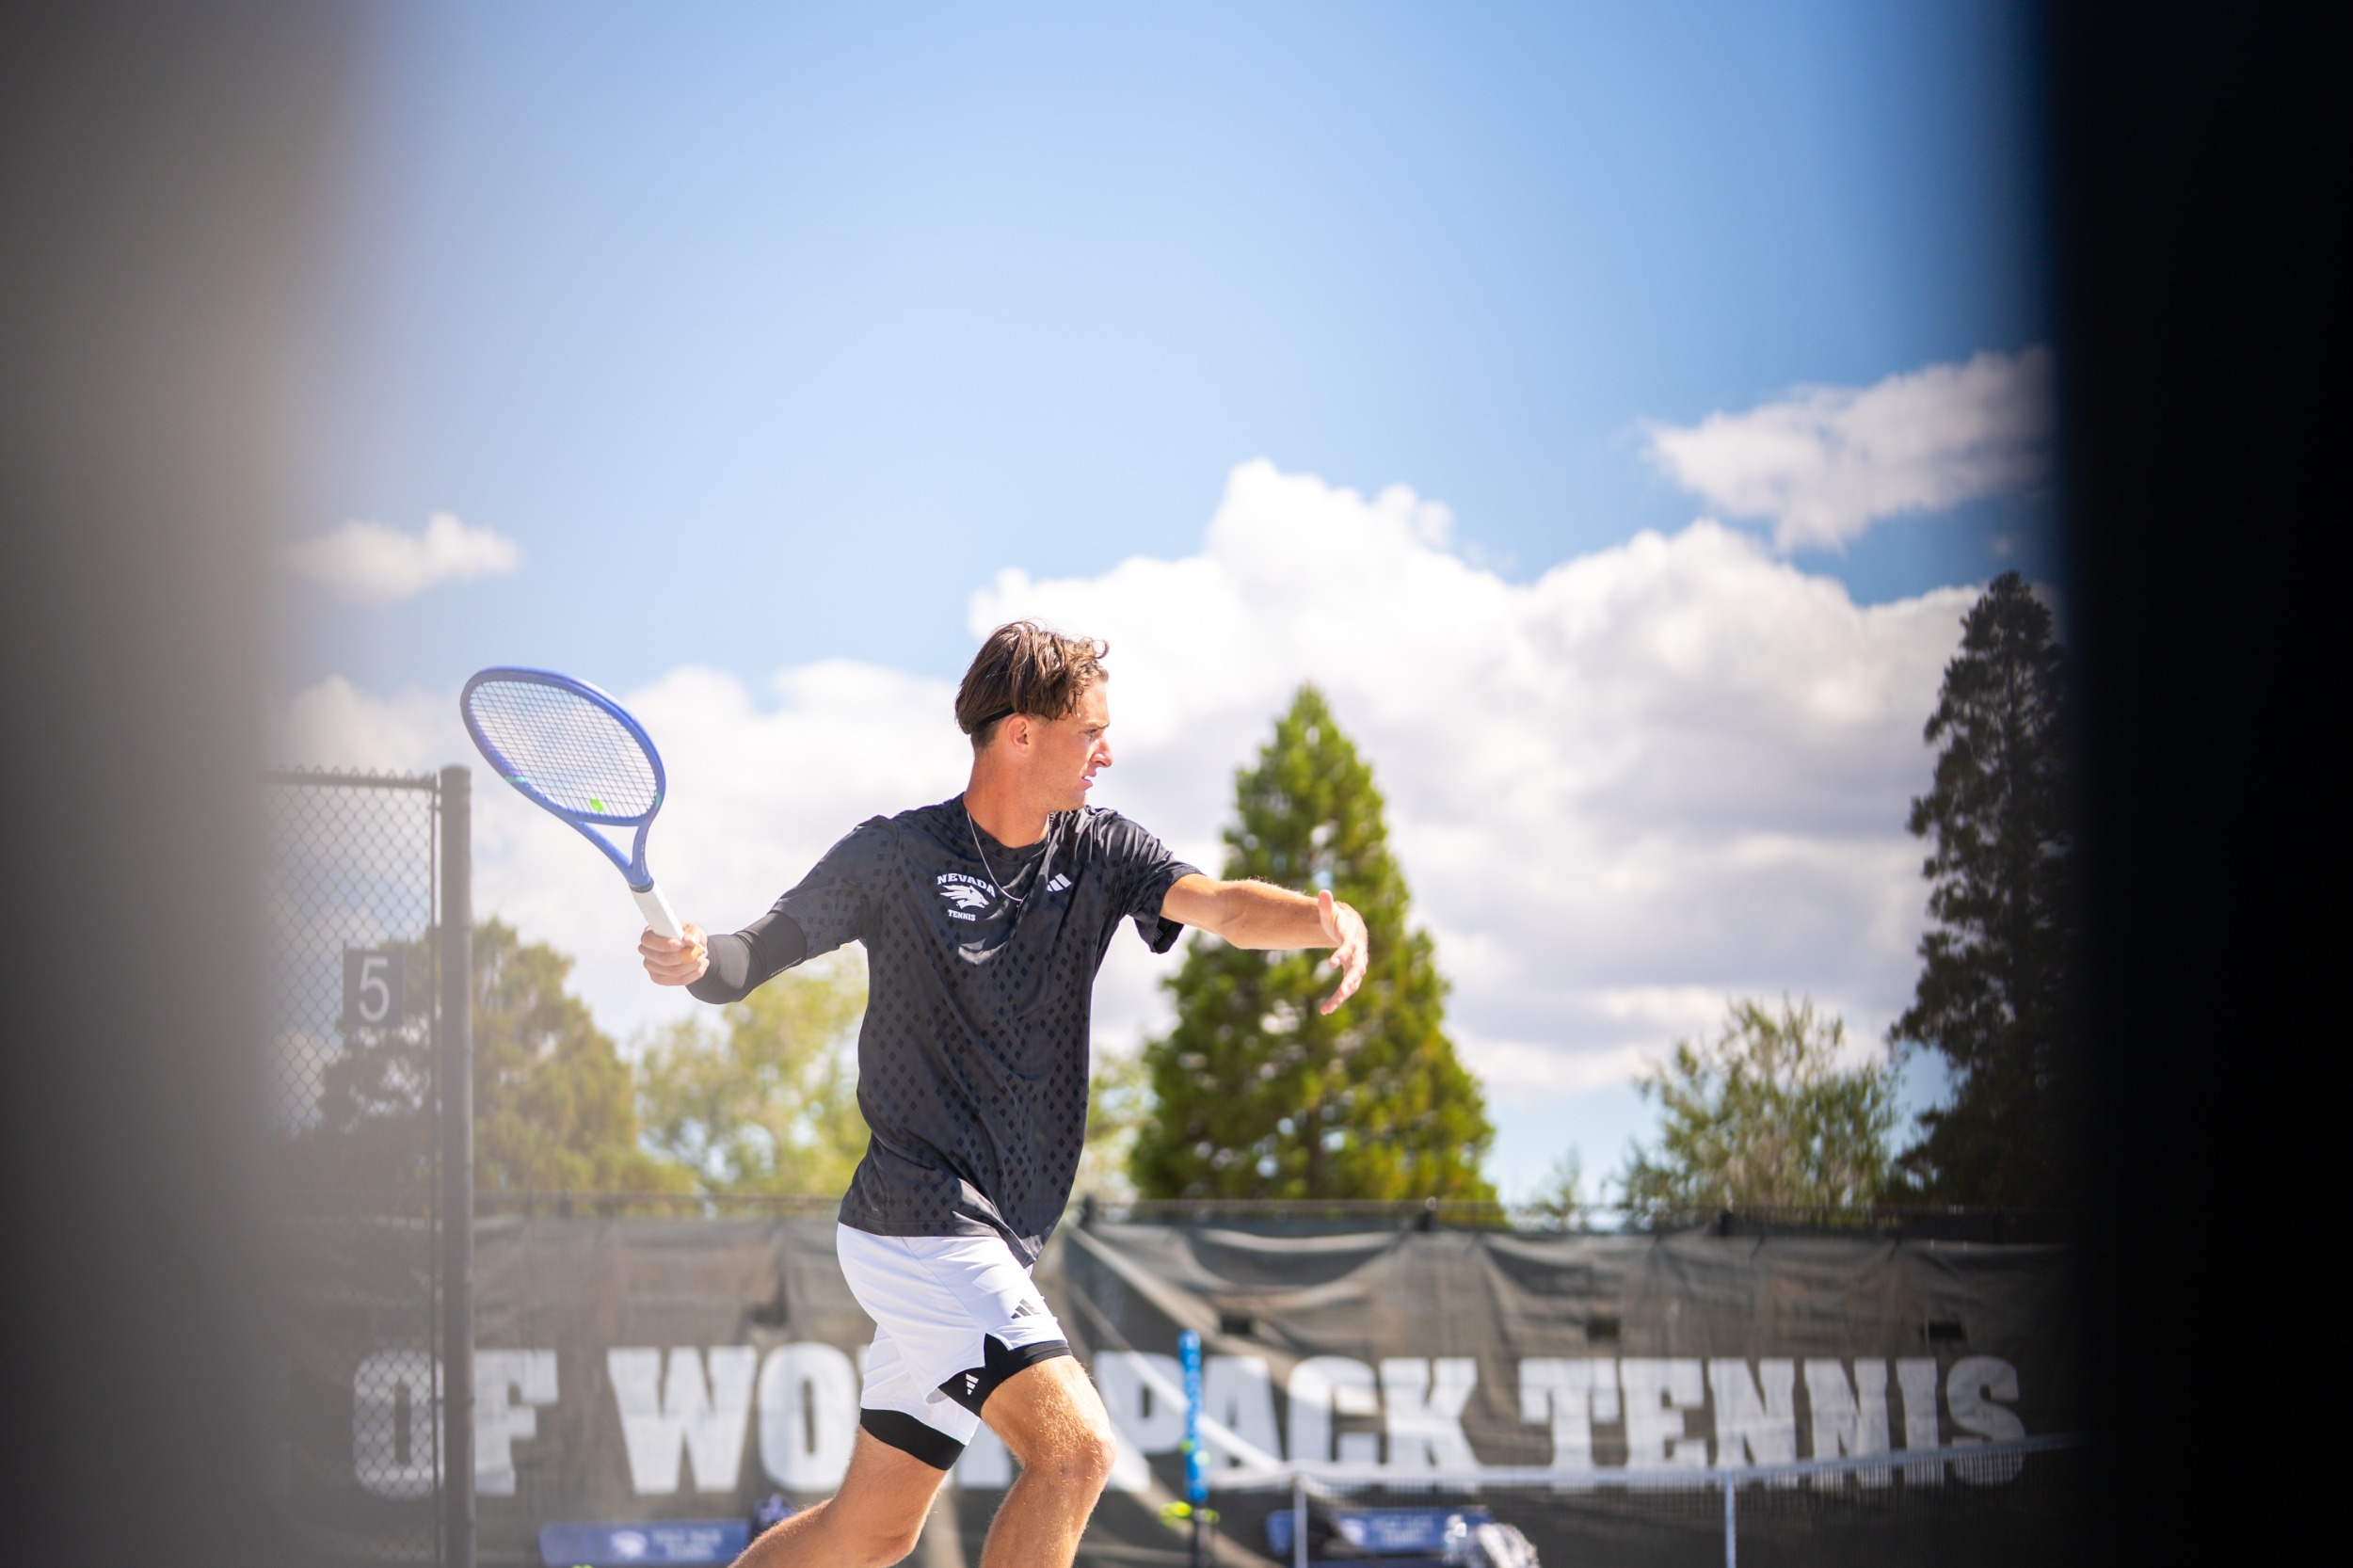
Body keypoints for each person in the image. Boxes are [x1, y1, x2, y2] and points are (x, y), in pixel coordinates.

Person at [639, 622, 1369, 1568]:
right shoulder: (893, 855)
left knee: (868, 1531)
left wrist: (1324, 918)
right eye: (1088, 732)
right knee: (1075, 1451)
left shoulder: (1103, 851)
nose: (1107, 751)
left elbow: (1225, 905)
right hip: (919, 1226)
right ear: (1019, 732)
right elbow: (743, 960)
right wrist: (693, 957)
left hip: (986, 1245)